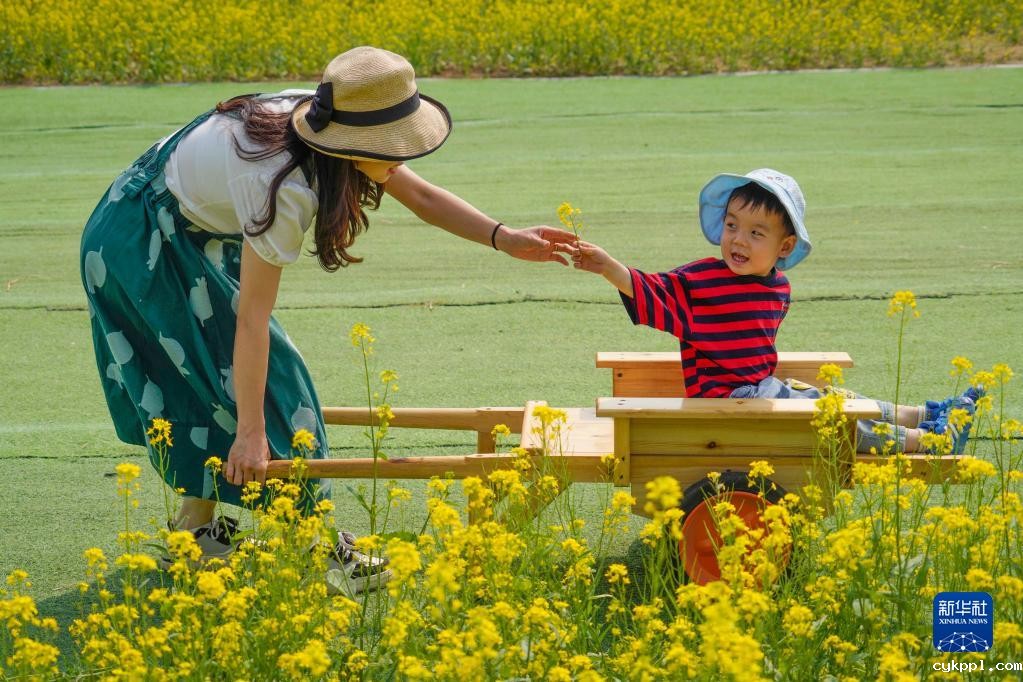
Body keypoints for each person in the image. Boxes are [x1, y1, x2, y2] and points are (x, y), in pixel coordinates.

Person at [80, 46, 576, 593]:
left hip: (178, 222)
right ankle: (324, 551)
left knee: (213, 376)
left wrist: (505, 238)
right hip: (138, 242)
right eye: (392, 146)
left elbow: (421, 194)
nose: (402, 156)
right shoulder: (283, 188)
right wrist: (251, 434)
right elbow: (252, 322)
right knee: (273, 386)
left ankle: (195, 532)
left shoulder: (324, 122)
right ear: (350, 144)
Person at [569, 168, 980, 456]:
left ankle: (924, 414)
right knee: (829, 421)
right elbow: (651, 290)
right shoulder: (702, 282)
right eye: (731, 226)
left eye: (755, 233)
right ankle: (924, 442)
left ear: (783, 248)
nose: (738, 241)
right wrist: (608, 267)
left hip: (760, 389)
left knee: (832, 398)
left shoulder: (779, 287)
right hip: (729, 402)